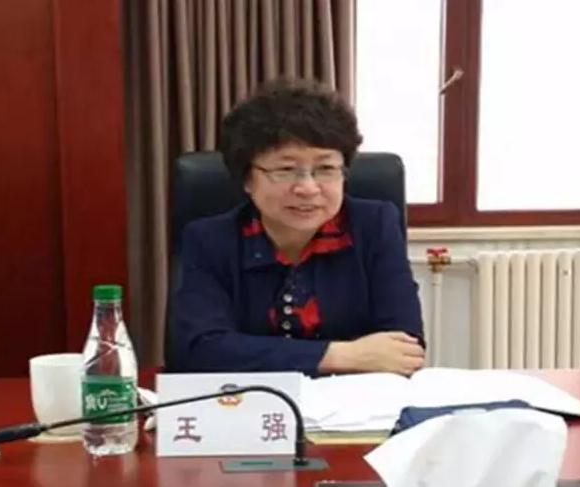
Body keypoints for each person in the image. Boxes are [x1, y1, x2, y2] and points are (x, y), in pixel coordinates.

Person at [174, 78, 425, 376]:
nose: (307, 188)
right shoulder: (210, 240)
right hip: (250, 401)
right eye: (285, 170)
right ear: (247, 179)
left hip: (354, 401)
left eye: (326, 168)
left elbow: (405, 347)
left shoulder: (374, 226)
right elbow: (200, 350)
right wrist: (337, 355)